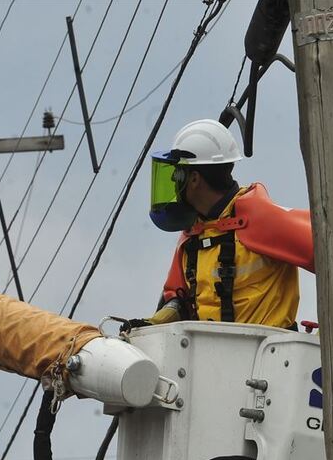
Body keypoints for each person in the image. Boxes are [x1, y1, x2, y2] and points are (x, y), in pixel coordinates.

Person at [123, 119, 314, 332]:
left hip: (269, 357)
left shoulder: (261, 219)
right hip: (209, 359)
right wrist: (151, 325)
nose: (176, 184)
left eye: (178, 175)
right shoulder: (193, 235)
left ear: (194, 179)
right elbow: (178, 301)